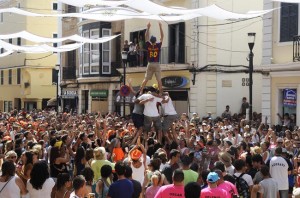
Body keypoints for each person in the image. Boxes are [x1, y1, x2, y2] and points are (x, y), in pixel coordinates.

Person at [140, 22, 164, 94]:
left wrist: (148, 27)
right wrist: (160, 26)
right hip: (156, 64)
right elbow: (162, 36)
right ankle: (160, 93)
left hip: (150, 64)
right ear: (155, 40)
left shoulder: (148, 45)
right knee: (159, 80)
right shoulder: (158, 45)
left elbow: (145, 36)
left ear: (150, 41)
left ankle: (141, 91)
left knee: (146, 79)